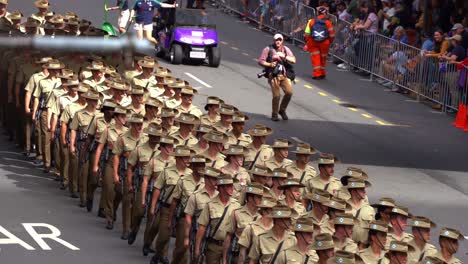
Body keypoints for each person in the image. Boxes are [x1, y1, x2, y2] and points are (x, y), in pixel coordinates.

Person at [258, 33, 296, 121]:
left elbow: (294, 60)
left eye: (280, 40)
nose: (278, 42)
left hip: (284, 74)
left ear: (282, 41)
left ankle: (282, 110)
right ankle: (274, 114)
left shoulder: (286, 49)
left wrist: (285, 56)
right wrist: (270, 64)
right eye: (276, 40)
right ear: (273, 40)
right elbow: (260, 61)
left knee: (289, 92)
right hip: (273, 75)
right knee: (277, 96)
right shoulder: (268, 49)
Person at [304, 6, 335, 80]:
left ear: (317, 13)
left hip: (313, 42)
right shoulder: (328, 22)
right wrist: (329, 41)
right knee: (323, 58)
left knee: (315, 57)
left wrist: (308, 42)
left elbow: (307, 34)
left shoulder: (311, 21)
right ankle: (322, 73)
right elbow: (332, 35)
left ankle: (316, 74)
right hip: (325, 43)